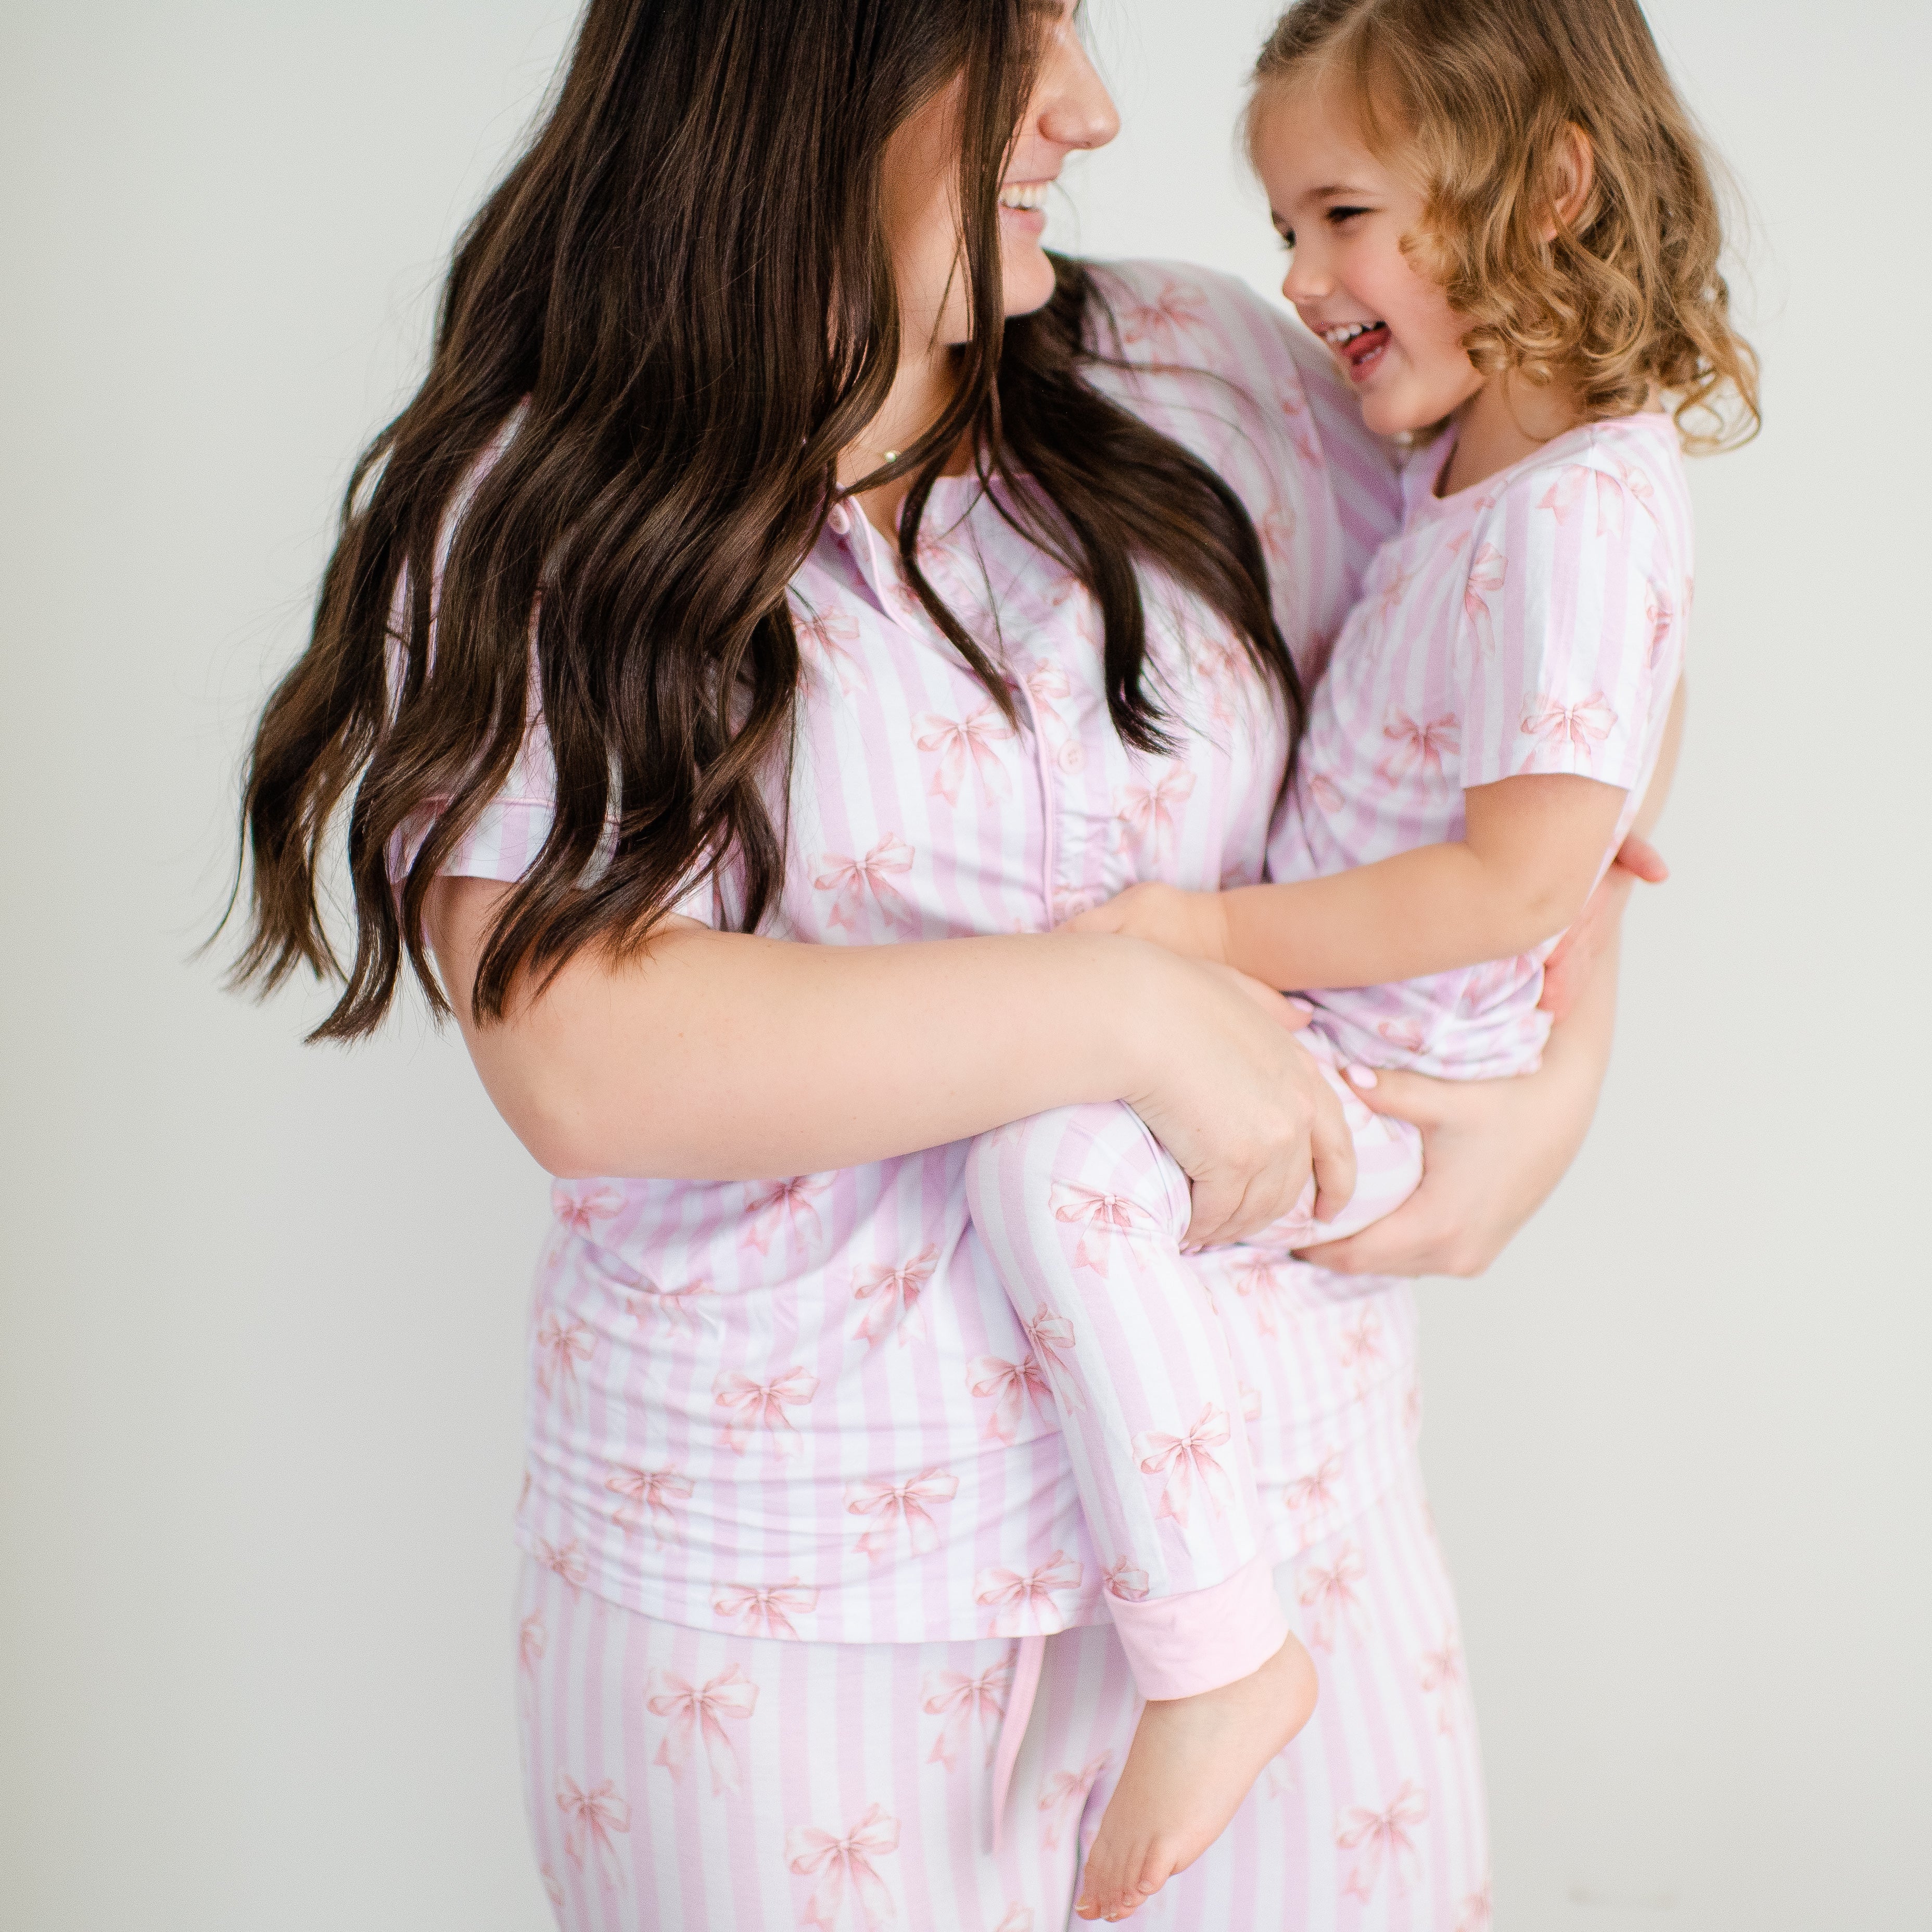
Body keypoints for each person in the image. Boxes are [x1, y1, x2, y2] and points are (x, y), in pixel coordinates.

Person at [232, 1, 1659, 1923]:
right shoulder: (538, 494)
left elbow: (1563, 612)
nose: (1090, 110)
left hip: (1296, 1521)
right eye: (1030, 38)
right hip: (794, 1611)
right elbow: (579, 1053)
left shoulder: (1207, 377)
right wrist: (1127, 1006)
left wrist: (1564, 1081)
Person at [961, 0, 1757, 1913]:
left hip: (1390, 1069)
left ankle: (1223, 1658)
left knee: (1049, 1163)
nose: (1301, 278)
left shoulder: (1576, 509)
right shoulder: (1481, 474)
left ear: (1549, 189)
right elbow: (1592, 760)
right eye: (1289, 228)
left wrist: (1199, 937)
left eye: (1342, 216)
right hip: (1343, 1031)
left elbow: (1504, 885)